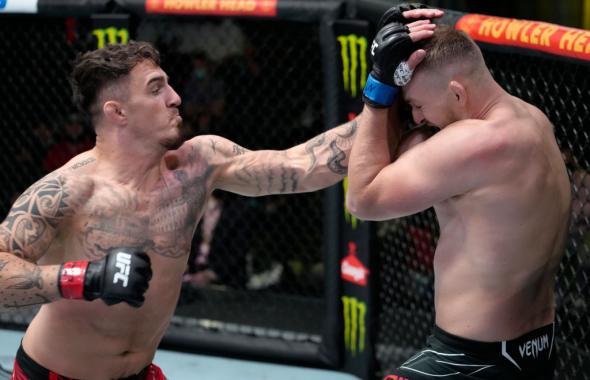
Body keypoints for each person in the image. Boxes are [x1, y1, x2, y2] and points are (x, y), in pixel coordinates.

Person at [0, 40, 357, 379]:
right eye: (156, 89)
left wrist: (386, 96)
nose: (176, 98)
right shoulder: (68, 190)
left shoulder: (199, 165)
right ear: (118, 111)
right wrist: (84, 278)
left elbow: (305, 166)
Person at [346, 5, 571, 380]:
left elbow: (362, 199)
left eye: (417, 105)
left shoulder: (475, 142)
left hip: (469, 361)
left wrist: (377, 89)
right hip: (535, 349)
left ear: (456, 92)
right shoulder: (533, 119)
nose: (417, 117)